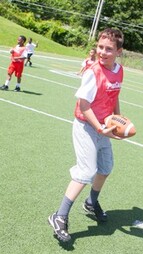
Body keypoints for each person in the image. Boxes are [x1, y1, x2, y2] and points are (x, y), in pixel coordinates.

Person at [48, 29, 126, 243]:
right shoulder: (93, 72)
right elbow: (84, 105)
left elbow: (115, 96)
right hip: (86, 126)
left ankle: (91, 203)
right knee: (86, 171)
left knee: (106, 168)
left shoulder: (119, 71)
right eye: (100, 47)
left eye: (108, 49)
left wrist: (118, 121)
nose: (102, 52)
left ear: (119, 51)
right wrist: (99, 128)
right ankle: (59, 215)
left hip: (104, 126)